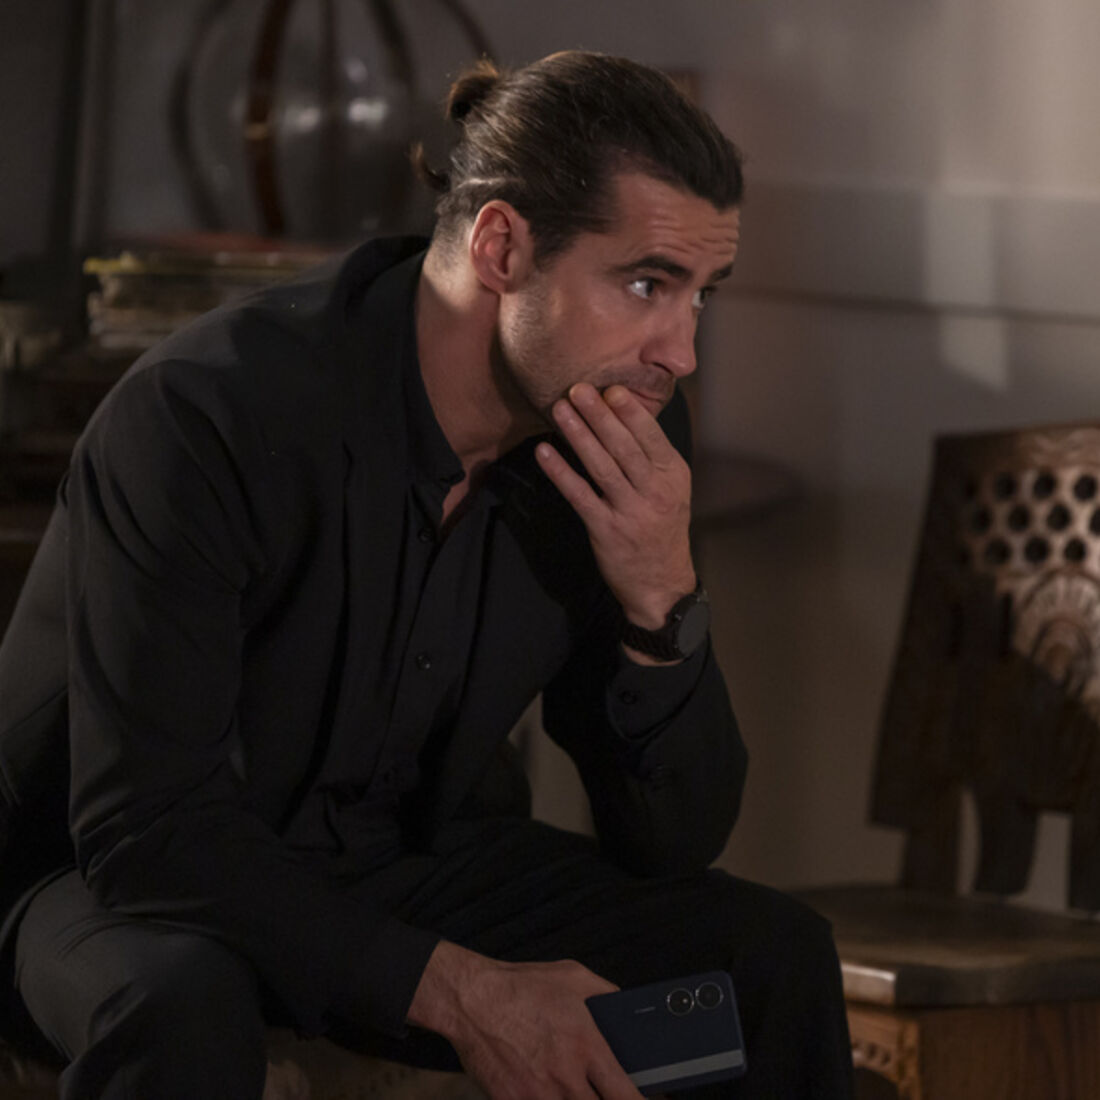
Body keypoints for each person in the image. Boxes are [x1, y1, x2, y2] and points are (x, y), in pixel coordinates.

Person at [0, 51, 854, 1098]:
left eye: (699, 296)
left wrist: (659, 602)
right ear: (500, 246)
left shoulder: (618, 432)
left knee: (763, 962)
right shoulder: (207, 414)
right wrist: (461, 991)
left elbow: (672, 841)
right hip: (96, 878)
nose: (680, 353)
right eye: (646, 284)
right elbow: (149, 833)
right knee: (179, 1002)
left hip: (397, 858)